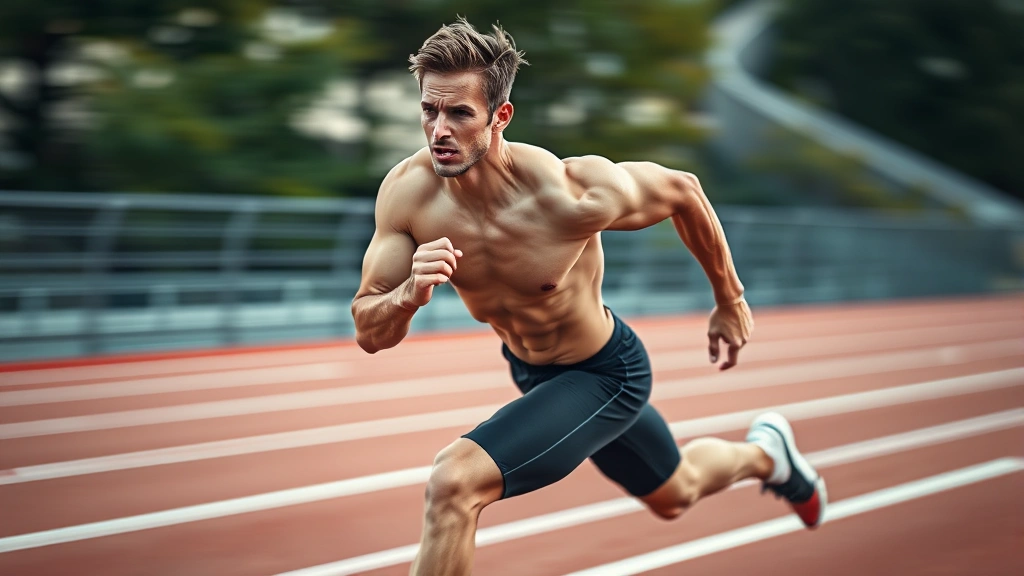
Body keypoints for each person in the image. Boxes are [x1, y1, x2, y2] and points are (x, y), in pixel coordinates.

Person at [351, 17, 826, 576]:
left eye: (460, 113)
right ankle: (768, 456)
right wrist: (407, 294)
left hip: (606, 372)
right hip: (532, 372)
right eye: (429, 110)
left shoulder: (568, 194)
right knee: (676, 493)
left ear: (500, 117)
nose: (439, 130)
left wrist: (729, 298)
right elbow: (368, 330)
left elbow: (684, 191)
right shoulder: (406, 196)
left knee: (455, 482)